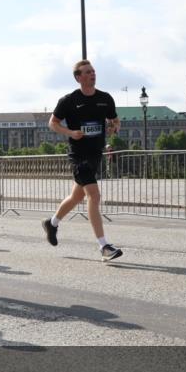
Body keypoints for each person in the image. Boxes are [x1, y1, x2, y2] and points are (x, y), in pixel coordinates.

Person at [43, 60, 123, 261]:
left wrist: (114, 127)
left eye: (94, 71)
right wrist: (70, 132)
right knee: (94, 196)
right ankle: (104, 246)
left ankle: (51, 223)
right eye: (87, 72)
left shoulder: (105, 98)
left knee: (77, 197)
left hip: (96, 153)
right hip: (78, 155)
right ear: (78, 77)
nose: (92, 74)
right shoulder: (69, 100)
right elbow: (52, 123)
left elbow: (115, 120)